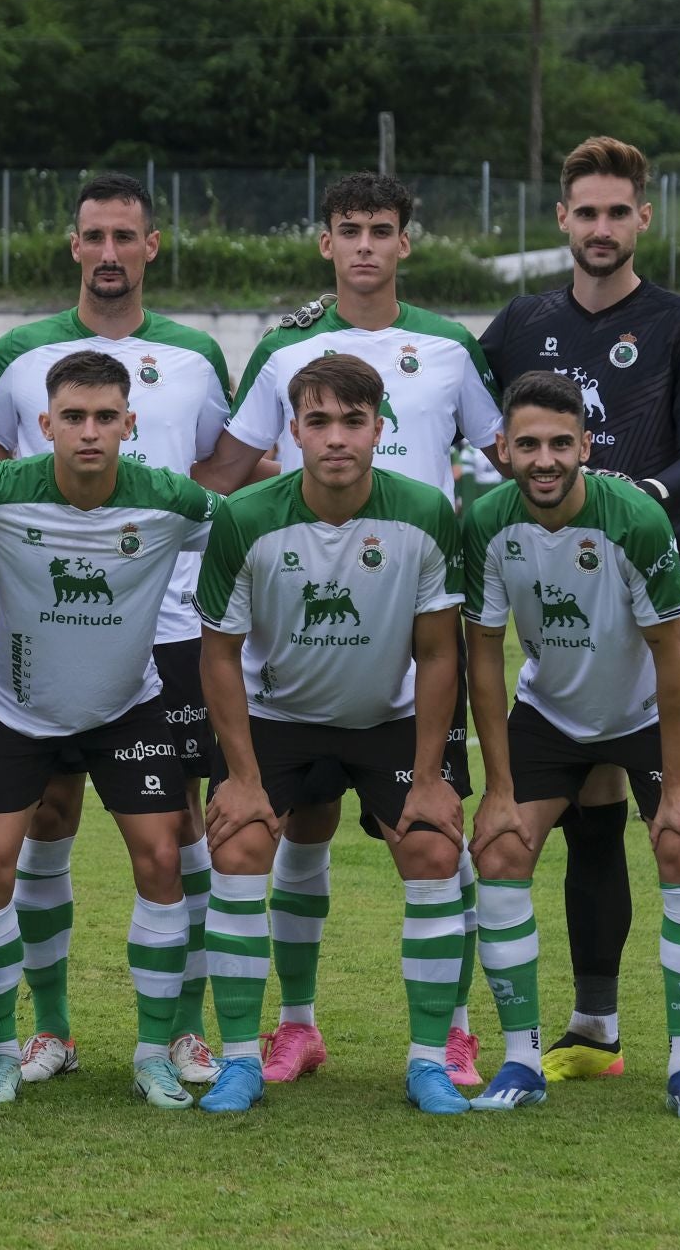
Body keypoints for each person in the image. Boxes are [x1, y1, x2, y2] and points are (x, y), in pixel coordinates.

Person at [195, 171, 500, 1088]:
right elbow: (226, 467)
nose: (365, 244)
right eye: (348, 229)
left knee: (436, 834)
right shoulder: (285, 348)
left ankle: (449, 1035)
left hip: (410, 624)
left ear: (406, 241)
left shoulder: (449, 346)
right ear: (324, 242)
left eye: (381, 229)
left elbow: (511, 452)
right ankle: (290, 1029)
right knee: (292, 834)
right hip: (297, 639)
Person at [479, 136, 680, 1098]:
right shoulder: (520, 322)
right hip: (560, 604)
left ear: (643, 216)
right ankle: (594, 1023)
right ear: (562, 219)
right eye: (583, 212)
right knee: (587, 825)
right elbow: (473, 418)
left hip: (666, 590)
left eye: (617, 211)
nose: (600, 228)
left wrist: (617, 493)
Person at [0, 172, 232, 1086]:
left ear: (150, 246)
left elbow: (220, 472)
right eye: (96, 236)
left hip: (165, 629)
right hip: (46, 634)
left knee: (179, 829)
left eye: (128, 236)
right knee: (46, 814)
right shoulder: (17, 354)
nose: (112, 252)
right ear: (74, 245)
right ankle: (48, 1031)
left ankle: (183, 1028)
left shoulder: (197, 354)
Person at [195, 353, 468, 1117]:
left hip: (388, 719)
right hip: (279, 721)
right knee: (241, 843)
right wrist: (243, 778)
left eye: (353, 421)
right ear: (293, 431)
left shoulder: (423, 512)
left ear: (381, 428)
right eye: (318, 422)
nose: (337, 439)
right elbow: (218, 653)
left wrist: (428, 775)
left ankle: (428, 1061)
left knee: (434, 847)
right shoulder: (246, 516)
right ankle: (243, 1059)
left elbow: (440, 650)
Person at [0, 350, 218, 1111]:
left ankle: (153, 1051)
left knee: (163, 857)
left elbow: (247, 532)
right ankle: (12, 1048)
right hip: (18, 711)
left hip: (127, 708)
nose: (90, 432)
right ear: (45, 426)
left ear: (131, 424)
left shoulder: (171, 500)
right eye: (73, 417)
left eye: (107, 417)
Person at [462, 369, 680, 1121]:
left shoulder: (634, 518)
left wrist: (677, 788)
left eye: (559, 444)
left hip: (648, 707)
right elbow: (484, 653)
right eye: (527, 445)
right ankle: (519, 1061)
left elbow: (672, 655)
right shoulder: (485, 521)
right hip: (553, 710)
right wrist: (499, 789)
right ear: (504, 449)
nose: (543, 460)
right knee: (503, 852)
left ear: (584, 445)